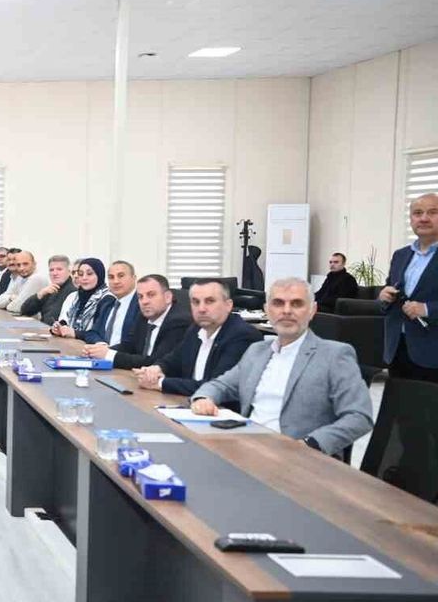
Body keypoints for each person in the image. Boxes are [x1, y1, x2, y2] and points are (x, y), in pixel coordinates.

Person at [191, 279, 373, 456]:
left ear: (312, 310)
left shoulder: (334, 355)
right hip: (248, 448)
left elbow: (359, 417)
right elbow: (221, 385)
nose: (286, 311)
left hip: (300, 458)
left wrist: (310, 444)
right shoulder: (257, 351)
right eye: (278, 303)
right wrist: (204, 398)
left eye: (296, 304)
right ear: (267, 310)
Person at [134, 279, 263, 401]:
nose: (201, 309)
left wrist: (160, 383)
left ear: (228, 305)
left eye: (210, 301)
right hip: (189, 403)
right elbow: (173, 359)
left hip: (221, 410)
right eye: (196, 302)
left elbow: (214, 386)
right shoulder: (196, 329)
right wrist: (156, 369)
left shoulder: (241, 335)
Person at [381, 193, 438, 382]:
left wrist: (427, 309)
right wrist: (384, 295)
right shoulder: (400, 255)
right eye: (417, 213)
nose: (424, 218)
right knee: (399, 400)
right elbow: (390, 288)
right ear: (411, 219)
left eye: (432, 212)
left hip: (433, 352)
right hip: (397, 348)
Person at [82, 274, 191, 370]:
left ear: (168, 297)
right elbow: (130, 345)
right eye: (140, 297)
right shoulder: (143, 316)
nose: (144, 301)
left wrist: (109, 355)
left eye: (151, 295)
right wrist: (100, 351)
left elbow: (156, 362)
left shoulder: (178, 322)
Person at [50, 259, 115, 342]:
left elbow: (100, 334)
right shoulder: (74, 296)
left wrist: (75, 333)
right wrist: (59, 328)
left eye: (89, 274)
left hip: (94, 347)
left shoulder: (107, 299)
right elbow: (65, 320)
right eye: (81, 274)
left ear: (99, 275)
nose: (84, 278)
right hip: (72, 344)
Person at [20, 255, 74, 324]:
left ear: (69, 271)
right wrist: (39, 294)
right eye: (51, 270)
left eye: (59, 269)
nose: (54, 273)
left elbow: (51, 319)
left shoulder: (73, 292)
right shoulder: (50, 290)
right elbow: (25, 311)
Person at [97, 261, 140, 348]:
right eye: (111, 277)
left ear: (134, 278)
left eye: (121, 276)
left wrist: (108, 351)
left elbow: (135, 342)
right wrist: (101, 345)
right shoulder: (107, 304)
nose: (115, 281)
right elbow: (93, 332)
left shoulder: (140, 304)